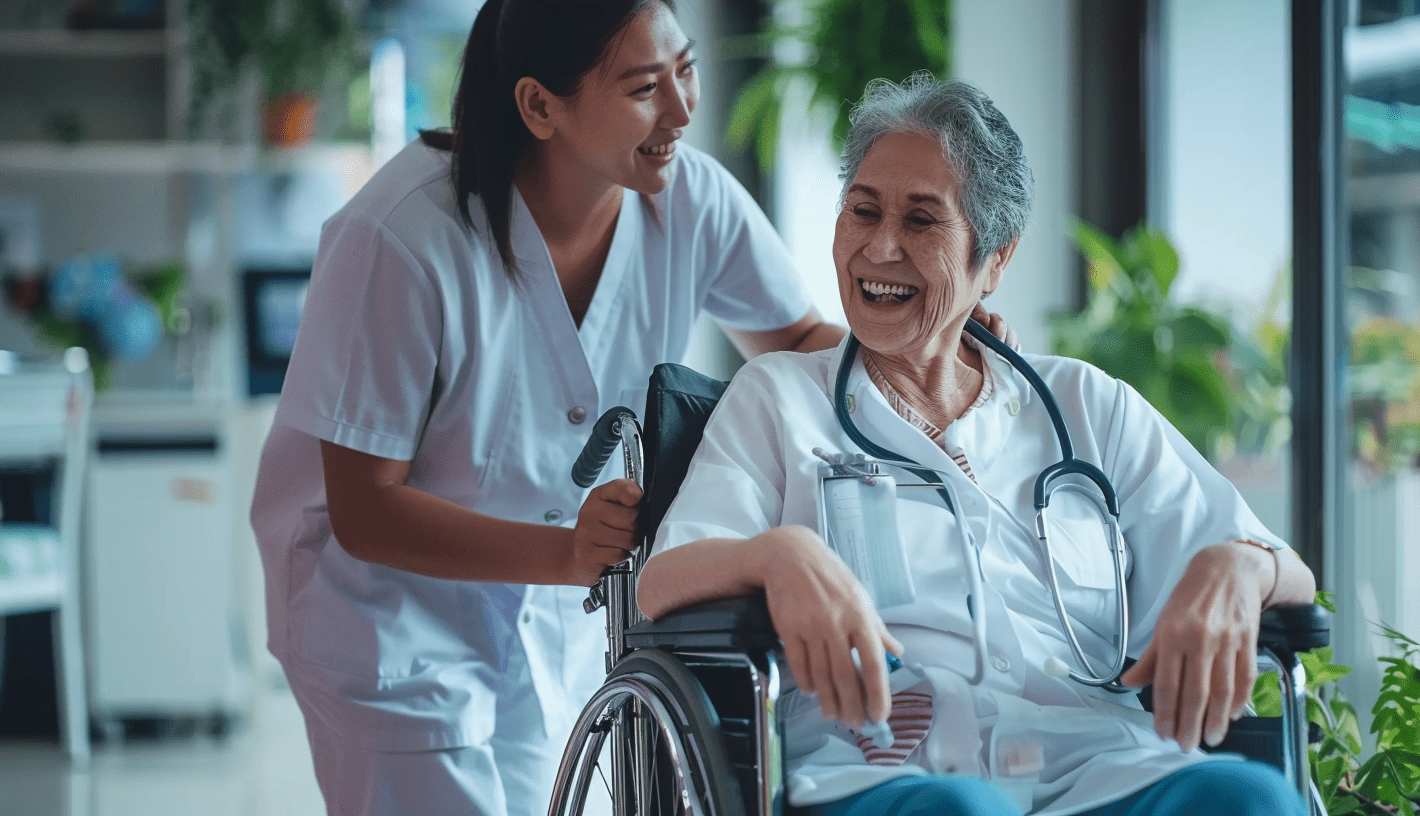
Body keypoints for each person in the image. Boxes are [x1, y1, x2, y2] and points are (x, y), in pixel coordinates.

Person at [249, 3, 1015, 815]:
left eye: (685, 71)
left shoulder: (690, 200)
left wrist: (944, 335)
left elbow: (800, 342)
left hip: (546, 621)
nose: (685, 110)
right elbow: (366, 511)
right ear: (541, 105)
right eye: (646, 87)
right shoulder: (400, 239)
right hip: (391, 619)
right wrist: (566, 555)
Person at [637, 74, 1317, 816]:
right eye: (862, 211)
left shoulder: (1085, 406)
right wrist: (776, 554)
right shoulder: (778, 398)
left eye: (922, 221)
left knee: (1250, 799)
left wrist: (1236, 565)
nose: (880, 245)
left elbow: (1292, 575)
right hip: (888, 773)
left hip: (1098, 769)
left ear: (993, 262)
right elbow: (663, 579)